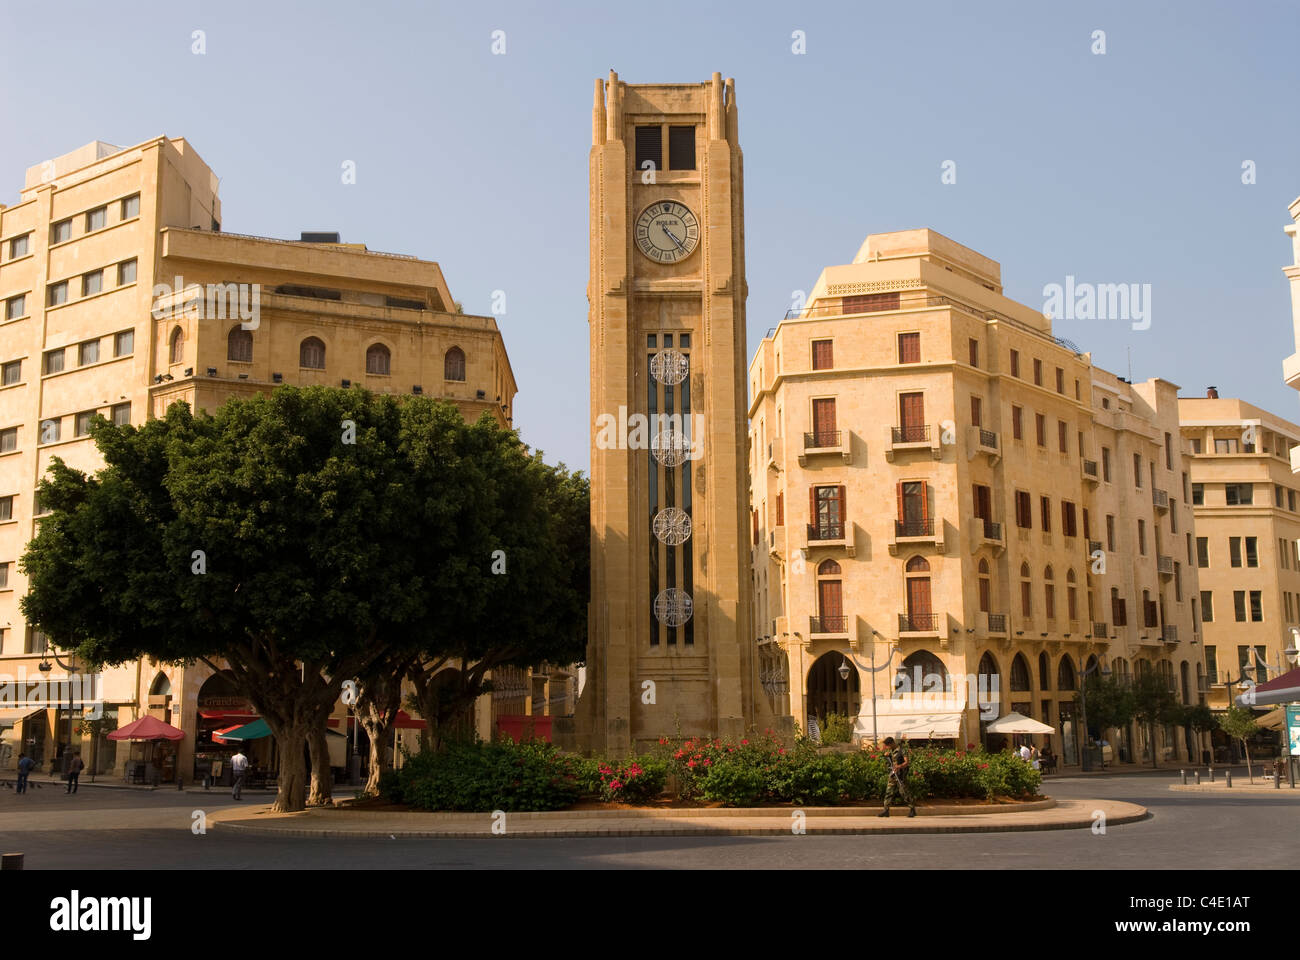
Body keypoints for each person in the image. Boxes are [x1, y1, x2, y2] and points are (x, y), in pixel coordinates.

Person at [877, 736, 916, 818]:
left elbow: (907, 762)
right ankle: (886, 810)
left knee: (904, 792)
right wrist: (887, 756)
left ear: (892, 743)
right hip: (893, 774)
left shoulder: (902, 750)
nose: (887, 747)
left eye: (888, 745)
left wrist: (899, 766)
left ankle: (912, 809)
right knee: (888, 792)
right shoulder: (891, 750)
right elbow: (891, 761)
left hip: (900, 774)